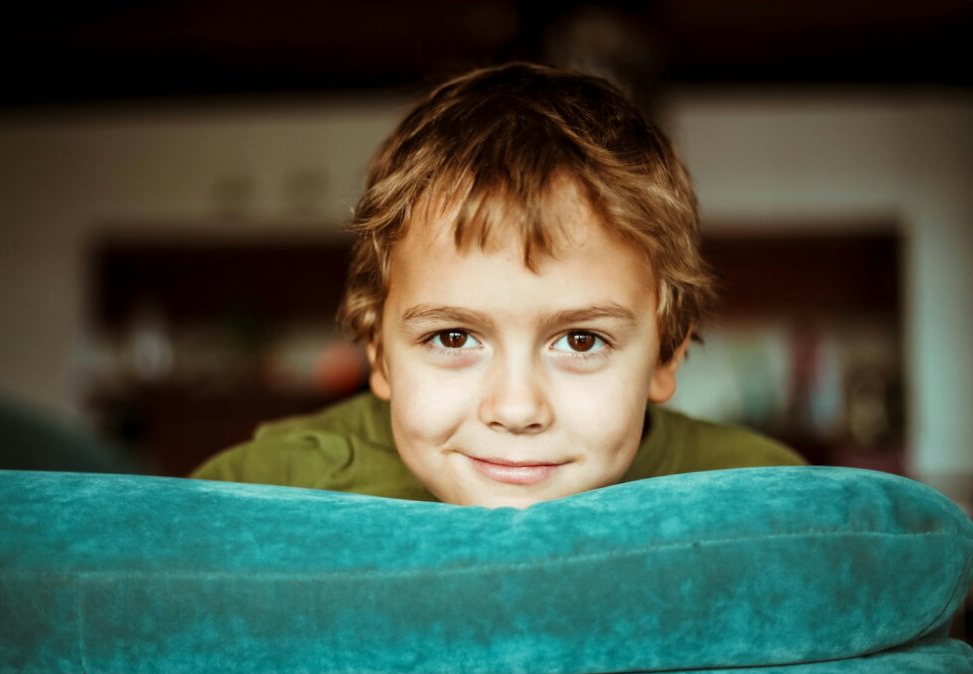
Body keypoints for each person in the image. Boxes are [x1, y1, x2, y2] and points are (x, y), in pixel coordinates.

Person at [190, 62, 805, 508]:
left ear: (666, 355)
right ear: (377, 349)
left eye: (581, 340)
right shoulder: (267, 490)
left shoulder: (766, 498)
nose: (516, 410)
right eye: (453, 337)